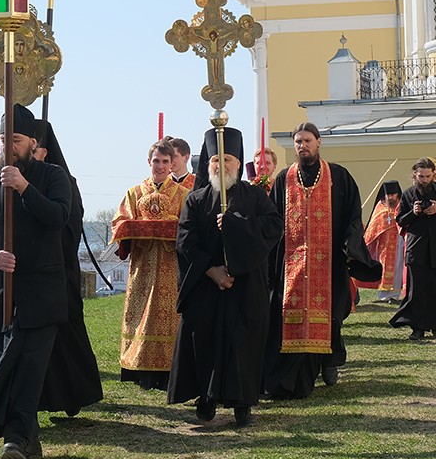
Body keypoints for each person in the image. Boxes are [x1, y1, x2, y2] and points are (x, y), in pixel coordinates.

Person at [0, 103, 72, 459]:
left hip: (41, 292)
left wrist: (24, 188)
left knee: (28, 369)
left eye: (17, 140)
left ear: (32, 143)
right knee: (2, 365)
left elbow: (58, 217)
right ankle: (26, 435)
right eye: (4, 138)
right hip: (0, 291)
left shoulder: (53, 177)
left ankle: (15, 441)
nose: (9, 146)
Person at [167, 127, 282, 427]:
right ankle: (205, 399)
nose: (221, 165)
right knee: (204, 340)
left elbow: (273, 228)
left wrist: (237, 224)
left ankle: (243, 404)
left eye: (227, 159)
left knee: (242, 343)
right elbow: (185, 240)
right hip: (206, 286)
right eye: (216, 160)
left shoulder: (255, 196)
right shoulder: (196, 199)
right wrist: (212, 270)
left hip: (246, 286)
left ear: (238, 163)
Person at [264, 123, 380, 398]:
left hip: (330, 261)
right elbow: (273, 219)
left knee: (331, 314)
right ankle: (294, 374)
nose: (302, 145)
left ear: (318, 142)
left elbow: (352, 216)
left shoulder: (338, 176)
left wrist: (350, 247)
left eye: (307, 140)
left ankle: (328, 360)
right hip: (290, 263)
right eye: (298, 141)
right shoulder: (283, 179)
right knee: (287, 315)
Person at [33, 120, 103, 418]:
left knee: (66, 335)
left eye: (33, 150)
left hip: (59, 270)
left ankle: (74, 393)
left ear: (44, 152)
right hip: (29, 275)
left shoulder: (63, 182)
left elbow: (69, 225)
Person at [111, 140, 191, 390]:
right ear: (149, 162)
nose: (160, 166)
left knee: (169, 316)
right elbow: (119, 222)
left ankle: (169, 372)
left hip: (170, 267)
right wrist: (131, 228)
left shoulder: (183, 194)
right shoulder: (134, 193)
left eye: (165, 161)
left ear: (172, 164)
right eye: (156, 161)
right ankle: (139, 370)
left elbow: (189, 228)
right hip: (142, 266)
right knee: (140, 314)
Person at [390, 157, 436, 340]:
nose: (424, 180)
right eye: (421, 176)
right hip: (418, 248)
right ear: (415, 175)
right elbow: (400, 220)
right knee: (418, 290)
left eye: (428, 176)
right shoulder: (408, 194)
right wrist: (413, 213)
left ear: (433, 175)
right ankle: (418, 327)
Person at [357, 181, 403, 303]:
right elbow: (374, 224)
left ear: (397, 194)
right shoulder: (381, 206)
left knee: (398, 267)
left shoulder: (402, 204)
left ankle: (395, 295)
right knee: (384, 267)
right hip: (384, 244)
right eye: (388, 195)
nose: (390, 197)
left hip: (399, 241)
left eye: (393, 195)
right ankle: (384, 295)